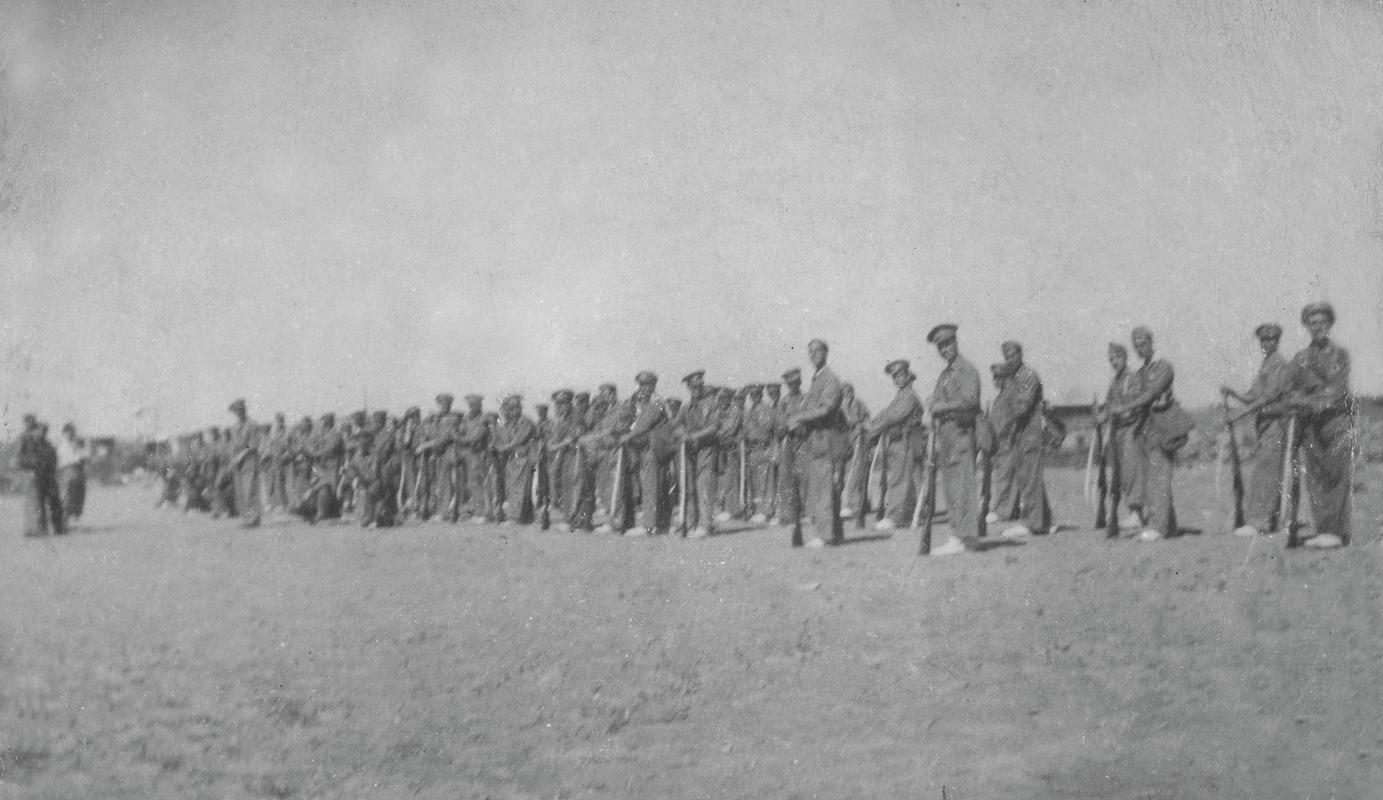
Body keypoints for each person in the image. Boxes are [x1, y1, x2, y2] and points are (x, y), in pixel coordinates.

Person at [1277, 302, 1355, 548]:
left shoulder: (1340, 355)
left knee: (1336, 476)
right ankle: (1322, 530)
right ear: (1307, 326)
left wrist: (1304, 401)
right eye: (1313, 323)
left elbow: (1337, 391)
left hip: (1335, 422)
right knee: (1315, 478)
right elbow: (1287, 389)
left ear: (1330, 324)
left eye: (1323, 322)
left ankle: (1335, 532)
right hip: (1310, 426)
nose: (1318, 327)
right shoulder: (1300, 359)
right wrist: (1299, 400)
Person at [1106, 326, 1186, 542]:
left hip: (1163, 425)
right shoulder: (1142, 371)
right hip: (1147, 428)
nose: (1140, 348)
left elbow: (1151, 393)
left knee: (1159, 475)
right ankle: (1169, 525)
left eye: (1143, 344)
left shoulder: (1164, 366)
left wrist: (1125, 407)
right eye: (1136, 345)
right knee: (1153, 477)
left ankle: (1158, 527)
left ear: (1151, 341)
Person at [1221, 323, 1291, 537]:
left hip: (1276, 423)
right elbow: (1253, 396)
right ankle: (1267, 520)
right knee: (1262, 470)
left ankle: (1259, 522)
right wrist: (1233, 394)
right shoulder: (1266, 364)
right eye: (1263, 340)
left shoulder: (1278, 364)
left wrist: (1239, 414)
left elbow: (1267, 397)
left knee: (1266, 472)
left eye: (1270, 339)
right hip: (1263, 425)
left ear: (1277, 341)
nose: (1266, 343)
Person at [785, 339, 849, 549]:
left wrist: (799, 418)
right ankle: (834, 533)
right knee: (823, 487)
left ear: (826, 353)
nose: (813, 355)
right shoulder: (817, 379)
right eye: (810, 351)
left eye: (817, 351)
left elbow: (826, 408)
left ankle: (826, 535)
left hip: (826, 438)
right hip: (816, 439)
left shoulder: (830, 379)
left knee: (824, 489)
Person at [925, 324, 980, 556]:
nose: (944, 349)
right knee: (951, 486)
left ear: (956, 342)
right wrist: (934, 404)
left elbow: (969, 401)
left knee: (962, 485)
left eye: (947, 344)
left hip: (961, 431)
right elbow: (934, 400)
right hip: (947, 435)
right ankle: (959, 534)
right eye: (940, 346)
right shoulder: (945, 374)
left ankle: (965, 537)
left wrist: (940, 407)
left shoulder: (966, 370)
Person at [996, 341, 1052, 539]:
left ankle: (1032, 522)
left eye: (1012, 355)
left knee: (1030, 477)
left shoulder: (1028, 375)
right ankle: (1043, 520)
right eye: (1006, 357)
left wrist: (1004, 422)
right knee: (1028, 476)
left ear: (1021, 354)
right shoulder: (1015, 378)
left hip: (1031, 432)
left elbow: (1022, 405)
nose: (1009, 360)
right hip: (1021, 433)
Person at [863, 360, 924, 532]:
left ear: (908, 375)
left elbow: (893, 417)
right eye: (894, 376)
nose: (897, 379)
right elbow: (886, 413)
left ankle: (894, 517)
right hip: (896, 442)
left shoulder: (909, 396)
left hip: (904, 441)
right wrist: (872, 422)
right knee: (901, 479)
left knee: (899, 480)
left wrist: (872, 427)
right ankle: (903, 516)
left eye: (900, 375)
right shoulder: (900, 396)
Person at [616, 371, 673, 536]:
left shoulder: (656, 403)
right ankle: (660, 525)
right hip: (646, 449)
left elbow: (643, 424)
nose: (643, 388)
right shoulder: (640, 402)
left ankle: (649, 525)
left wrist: (628, 435)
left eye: (647, 385)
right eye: (641, 385)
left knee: (651, 486)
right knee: (655, 486)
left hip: (653, 448)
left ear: (653, 385)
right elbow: (626, 420)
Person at [1103, 343, 1145, 529]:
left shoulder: (1133, 378)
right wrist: (1102, 416)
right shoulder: (1114, 382)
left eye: (1117, 358)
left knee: (1132, 470)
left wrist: (1119, 411)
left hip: (1132, 427)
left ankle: (1137, 513)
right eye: (1111, 359)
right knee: (1121, 473)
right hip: (1117, 430)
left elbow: (1136, 403)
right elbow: (1109, 406)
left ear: (1125, 357)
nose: (1114, 362)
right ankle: (1132, 512)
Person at [678, 370, 720, 538]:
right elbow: (676, 425)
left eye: (699, 386)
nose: (697, 389)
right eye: (693, 387)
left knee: (704, 487)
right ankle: (691, 523)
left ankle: (705, 525)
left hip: (706, 449)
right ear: (689, 387)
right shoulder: (685, 407)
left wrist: (694, 436)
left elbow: (714, 427)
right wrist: (682, 433)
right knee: (690, 488)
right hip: (690, 452)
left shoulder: (711, 404)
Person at [16, 416, 63, 536]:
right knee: (36, 504)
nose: (42, 433)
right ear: (35, 431)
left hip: (48, 477)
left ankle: (58, 527)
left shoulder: (48, 445)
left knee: (55, 501)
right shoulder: (27, 443)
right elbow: (19, 460)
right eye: (40, 430)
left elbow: (54, 460)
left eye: (44, 431)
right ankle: (35, 529)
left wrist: (51, 471)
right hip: (34, 476)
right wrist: (34, 463)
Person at [775, 369, 807, 532]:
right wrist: (783, 429)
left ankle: (805, 512)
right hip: (788, 441)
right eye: (790, 384)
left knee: (804, 476)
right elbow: (779, 422)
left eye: (795, 383)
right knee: (786, 477)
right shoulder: (783, 402)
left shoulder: (806, 399)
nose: (793, 386)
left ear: (800, 382)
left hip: (804, 441)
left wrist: (800, 426)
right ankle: (787, 514)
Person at [225, 399, 262, 528]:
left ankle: (254, 518)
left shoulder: (252, 424)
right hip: (237, 463)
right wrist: (232, 460)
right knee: (240, 491)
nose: (238, 413)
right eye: (236, 411)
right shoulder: (234, 427)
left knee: (250, 490)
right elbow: (233, 446)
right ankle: (247, 518)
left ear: (244, 410)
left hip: (249, 461)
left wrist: (241, 455)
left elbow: (253, 444)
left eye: (240, 410)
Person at [742, 384, 776, 524]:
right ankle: (757, 510)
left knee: (764, 481)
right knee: (754, 482)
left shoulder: (765, 409)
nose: (754, 397)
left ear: (761, 394)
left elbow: (765, 430)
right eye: (751, 394)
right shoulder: (750, 410)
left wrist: (750, 435)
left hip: (763, 448)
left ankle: (765, 511)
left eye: (756, 394)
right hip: (753, 449)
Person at [55, 422, 89, 523]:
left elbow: (84, 457)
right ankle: (64, 519)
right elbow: (60, 460)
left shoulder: (78, 444)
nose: (69, 435)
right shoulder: (61, 445)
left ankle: (74, 516)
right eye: (67, 433)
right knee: (66, 496)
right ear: (64, 433)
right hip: (65, 472)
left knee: (78, 495)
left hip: (77, 471)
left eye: (71, 432)